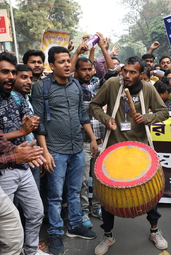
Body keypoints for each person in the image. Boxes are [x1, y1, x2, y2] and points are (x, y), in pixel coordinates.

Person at [90, 56, 169, 255]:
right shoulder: (111, 84)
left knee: (149, 195)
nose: (126, 75)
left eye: (132, 72)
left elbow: (163, 112)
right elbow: (94, 106)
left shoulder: (149, 89)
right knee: (108, 196)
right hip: (113, 148)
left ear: (141, 74)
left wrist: (148, 117)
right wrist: (106, 119)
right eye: (125, 70)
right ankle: (107, 235)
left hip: (140, 150)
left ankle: (154, 230)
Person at [31, 46, 97, 255]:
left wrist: (93, 138)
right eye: (62, 61)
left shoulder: (76, 85)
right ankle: (55, 232)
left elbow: (81, 115)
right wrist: (45, 152)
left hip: (77, 147)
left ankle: (75, 225)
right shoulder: (41, 88)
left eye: (68, 61)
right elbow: (38, 124)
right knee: (55, 196)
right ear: (52, 66)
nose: (67, 64)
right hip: (55, 150)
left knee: (75, 190)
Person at [0, 52, 48, 255]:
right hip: (1, 171)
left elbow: (0, 136)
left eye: (13, 72)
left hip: (22, 163)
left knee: (35, 213)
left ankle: (30, 250)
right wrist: (21, 135)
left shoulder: (17, 97)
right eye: (5, 72)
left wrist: (26, 142)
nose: (10, 77)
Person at [74, 32, 118, 228]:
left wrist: (102, 48)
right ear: (75, 71)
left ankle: (97, 207)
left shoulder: (98, 85)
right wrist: (81, 48)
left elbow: (111, 70)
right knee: (82, 181)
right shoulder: (73, 86)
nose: (87, 72)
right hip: (82, 142)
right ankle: (83, 211)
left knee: (99, 178)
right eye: (83, 70)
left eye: (90, 69)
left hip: (101, 141)